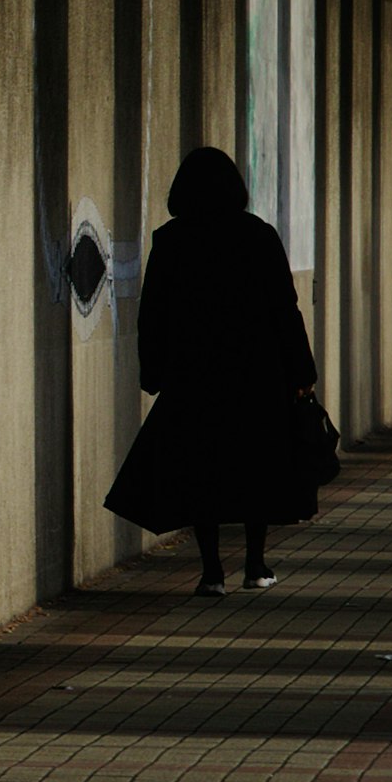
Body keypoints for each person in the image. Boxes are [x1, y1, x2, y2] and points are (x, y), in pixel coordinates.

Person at [104, 146, 325, 593]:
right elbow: (285, 309)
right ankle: (256, 565)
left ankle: (210, 572)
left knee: (201, 468)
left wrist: (154, 370)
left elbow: (154, 313)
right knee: (255, 465)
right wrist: (301, 371)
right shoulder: (258, 236)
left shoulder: (172, 240)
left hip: (195, 374)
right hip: (257, 372)